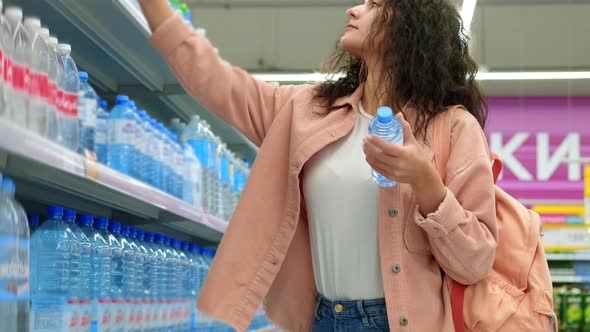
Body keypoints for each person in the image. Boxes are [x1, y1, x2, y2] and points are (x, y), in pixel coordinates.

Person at [139, 0, 497, 331]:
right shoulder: (306, 110)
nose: (353, 10)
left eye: (373, 5)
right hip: (323, 318)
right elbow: (213, 80)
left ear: (409, 26)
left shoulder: (452, 128)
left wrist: (426, 183)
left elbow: (475, 262)